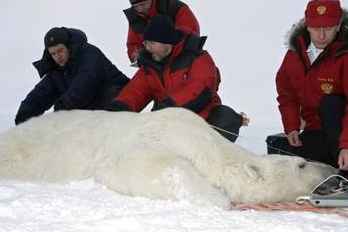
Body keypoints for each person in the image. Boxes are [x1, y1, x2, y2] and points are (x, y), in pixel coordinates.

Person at [271, 0, 348, 185]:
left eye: (328, 28)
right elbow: (286, 94)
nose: (321, 35)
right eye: (315, 28)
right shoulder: (294, 55)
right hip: (315, 130)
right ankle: (329, 165)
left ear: (338, 26)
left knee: (332, 103)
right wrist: (292, 126)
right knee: (277, 149)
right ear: (307, 26)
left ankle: (347, 172)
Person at [106, 15, 249, 142]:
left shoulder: (197, 56)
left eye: (152, 43)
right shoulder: (149, 66)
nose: (147, 48)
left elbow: (202, 87)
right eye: (145, 43)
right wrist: (117, 109)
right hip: (166, 122)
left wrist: (170, 107)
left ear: (167, 42)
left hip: (202, 118)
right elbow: (135, 92)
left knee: (226, 118)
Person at [15, 27, 130, 125]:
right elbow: (40, 95)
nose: (58, 57)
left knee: (111, 95)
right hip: (91, 112)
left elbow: (84, 85)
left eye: (60, 50)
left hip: (120, 100)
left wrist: (59, 113)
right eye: (53, 53)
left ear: (69, 46)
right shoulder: (57, 70)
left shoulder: (89, 53)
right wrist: (22, 121)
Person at [123, 0, 200, 64]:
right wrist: (140, 55)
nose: (140, 9)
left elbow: (192, 34)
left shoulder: (176, 8)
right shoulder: (136, 19)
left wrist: (164, 48)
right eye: (136, 6)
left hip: (184, 62)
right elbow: (133, 46)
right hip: (155, 68)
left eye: (143, 4)